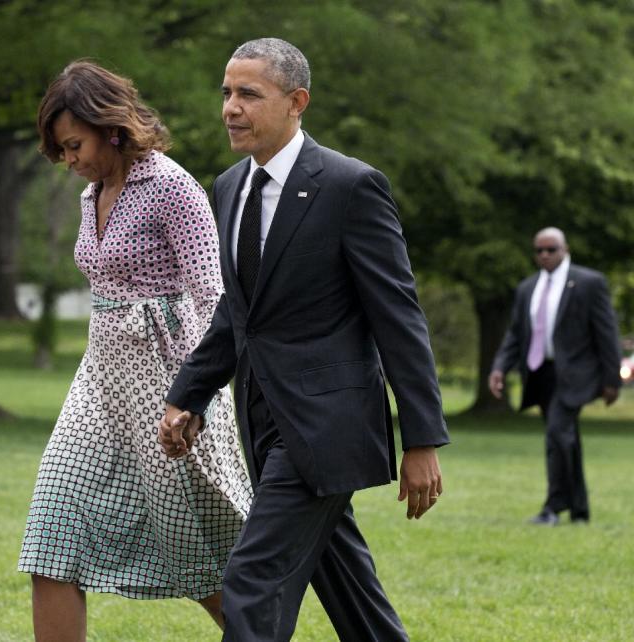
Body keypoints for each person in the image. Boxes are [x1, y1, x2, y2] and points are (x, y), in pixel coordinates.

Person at [158, 38, 450, 641]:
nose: (230, 108)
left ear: (297, 102)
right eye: (226, 93)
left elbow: (399, 318)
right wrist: (191, 392)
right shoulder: (229, 187)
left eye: (248, 94)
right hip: (263, 421)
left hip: (330, 422)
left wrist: (421, 439)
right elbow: (236, 315)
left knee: (253, 577)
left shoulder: (351, 186)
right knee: (347, 585)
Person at [17, 61, 253, 641]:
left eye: (74, 145)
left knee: (195, 547)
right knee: (51, 533)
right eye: (61, 151)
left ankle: (261, 633)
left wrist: (196, 396)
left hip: (168, 381)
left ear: (112, 128)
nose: (69, 161)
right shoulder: (89, 196)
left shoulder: (172, 187)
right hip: (100, 383)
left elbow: (213, 296)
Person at [489, 227, 622, 526]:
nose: (545, 255)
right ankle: (580, 511)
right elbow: (516, 334)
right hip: (540, 373)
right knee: (566, 439)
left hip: (577, 373)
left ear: (565, 249)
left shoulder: (589, 283)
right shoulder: (527, 288)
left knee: (557, 434)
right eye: (539, 250)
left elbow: (607, 333)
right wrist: (499, 367)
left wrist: (612, 380)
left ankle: (553, 507)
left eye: (551, 249)